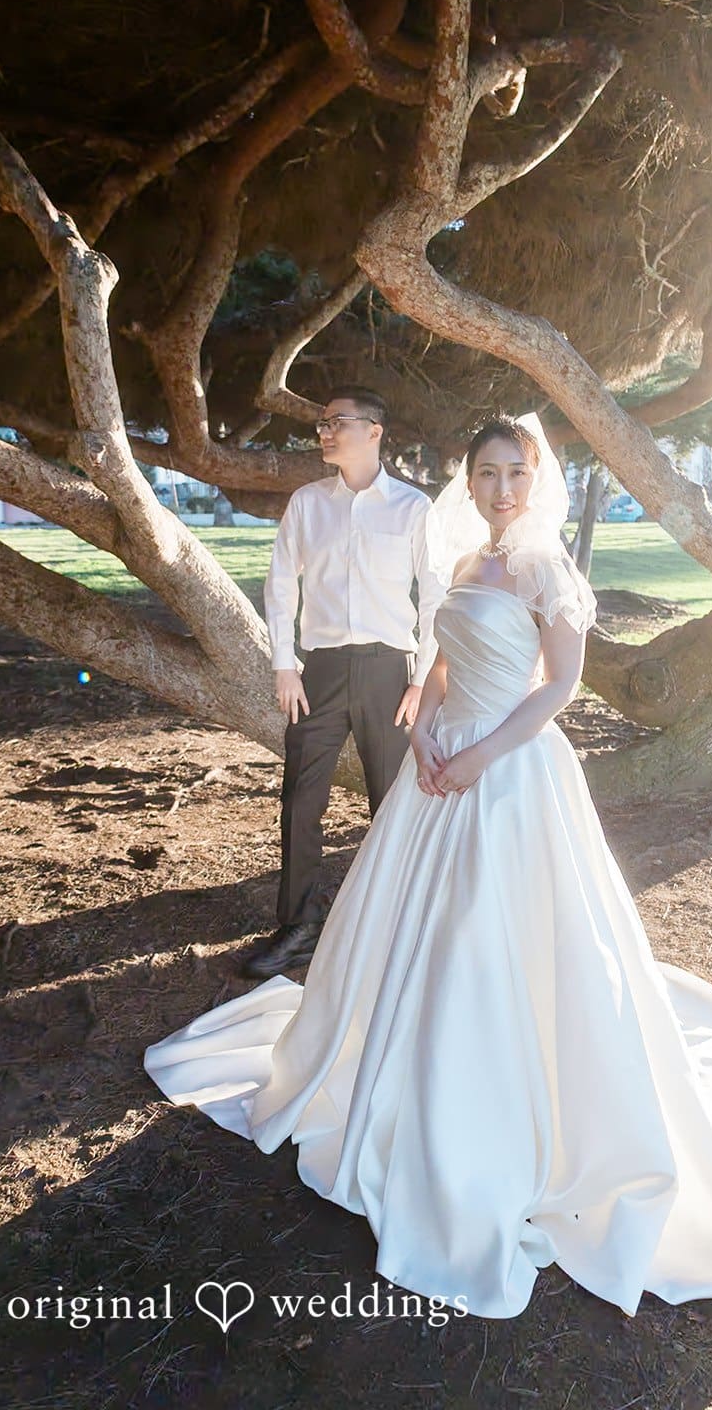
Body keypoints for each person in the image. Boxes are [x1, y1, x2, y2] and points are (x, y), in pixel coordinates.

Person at [145, 414, 712, 1320]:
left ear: (536, 477)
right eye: (487, 473)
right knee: (412, 928)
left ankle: (487, 1105)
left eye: (517, 472)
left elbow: (554, 687)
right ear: (466, 481)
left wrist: (478, 757)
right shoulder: (468, 561)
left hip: (513, 773)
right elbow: (440, 660)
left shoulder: (547, 568)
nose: (503, 488)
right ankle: (394, 1072)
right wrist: (431, 733)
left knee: (500, 934)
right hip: (438, 763)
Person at [245, 385, 442, 980]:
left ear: (375, 430)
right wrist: (284, 661)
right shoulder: (308, 503)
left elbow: (434, 598)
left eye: (338, 422)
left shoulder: (413, 509)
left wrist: (422, 678)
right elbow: (281, 583)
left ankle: (394, 920)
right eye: (322, 424)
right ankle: (300, 924)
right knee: (302, 798)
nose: (325, 432)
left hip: (390, 670)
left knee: (390, 801)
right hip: (321, 670)